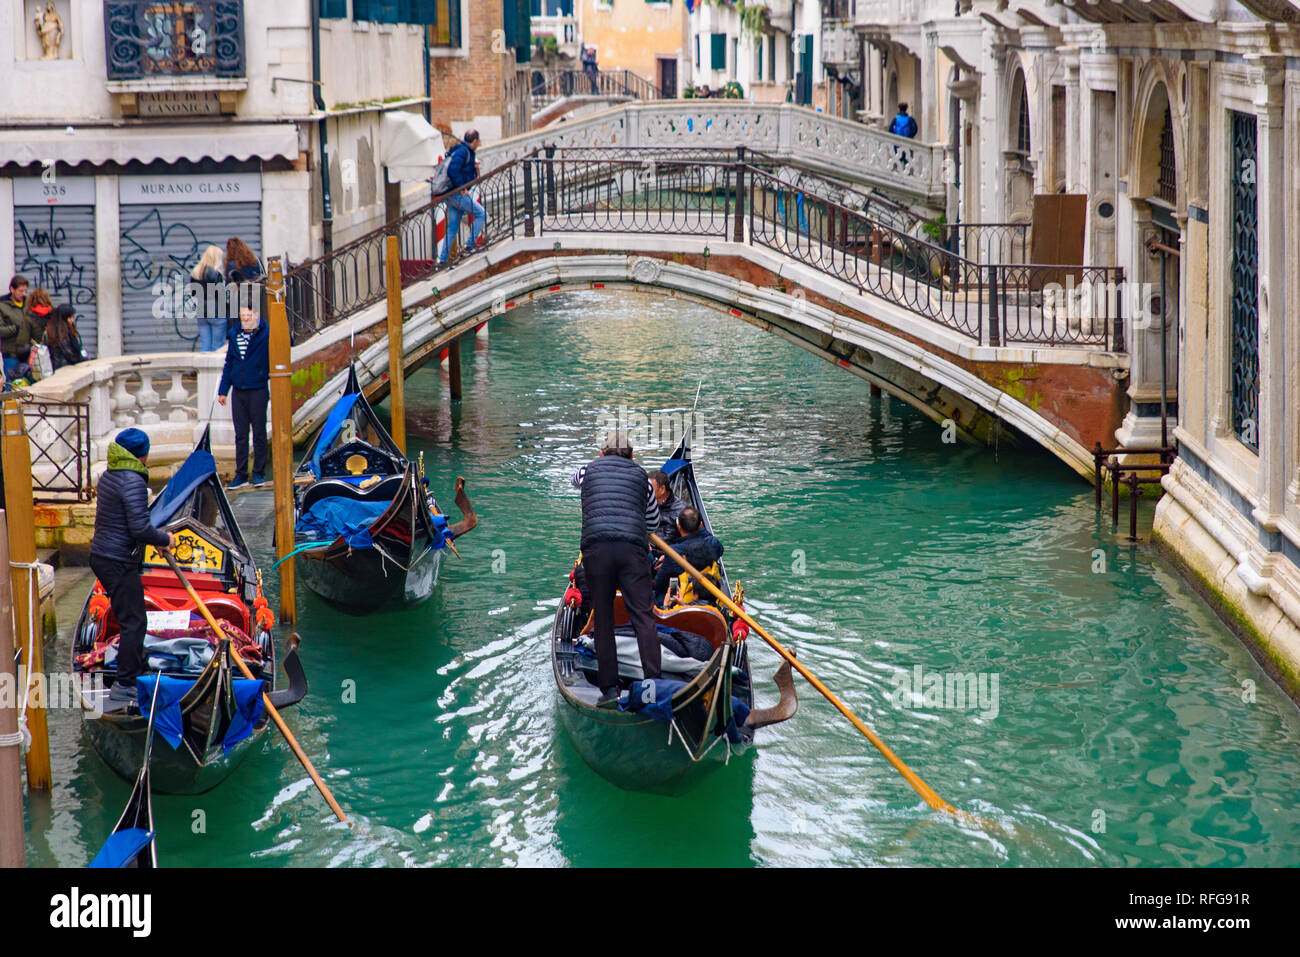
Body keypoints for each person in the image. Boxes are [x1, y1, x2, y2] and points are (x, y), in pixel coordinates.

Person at [576, 431, 662, 708]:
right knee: (643, 617)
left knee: (602, 618)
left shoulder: (587, 471)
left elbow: (575, 481)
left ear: (601, 454)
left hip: (596, 550)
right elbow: (653, 524)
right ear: (632, 456)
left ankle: (610, 690)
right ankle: (651, 688)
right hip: (631, 551)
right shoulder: (643, 480)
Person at [90, 428, 176, 703]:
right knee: (135, 622)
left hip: (103, 556)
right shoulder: (134, 480)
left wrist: (154, 538)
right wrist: (165, 538)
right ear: (144, 454)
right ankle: (125, 684)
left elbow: (128, 523)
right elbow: (139, 528)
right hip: (117, 560)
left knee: (132, 617)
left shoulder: (109, 475)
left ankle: (135, 668)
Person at [217, 303, 270, 489]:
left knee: (259, 433)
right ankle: (241, 475)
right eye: (242, 316)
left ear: (255, 315)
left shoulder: (265, 332)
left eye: (248, 315)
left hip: (258, 389)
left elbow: (287, 341)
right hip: (239, 391)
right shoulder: (234, 334)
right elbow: (229, 364)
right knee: (240, 434)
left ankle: (258, 473)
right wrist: (223, 391)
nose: (245, 319)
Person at [653, 507, 724, 607]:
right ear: (701, 525)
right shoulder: (713, 543)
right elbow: (714, 544)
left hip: (682, 596)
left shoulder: (674, 552)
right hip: (709, 594)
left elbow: (659, 584)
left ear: (679, 527)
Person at [438, 130, 486, 263]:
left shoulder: (460, 150)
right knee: (482, 214)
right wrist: (462, 187)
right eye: (478, 140)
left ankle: (442, 260)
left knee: (452, 227)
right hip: (457, 195)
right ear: (475, 141)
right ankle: (469, 246)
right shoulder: (463, 152)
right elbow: (452, 169)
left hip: (451, 195)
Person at [191, 245, 227, 351]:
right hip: (216, 310)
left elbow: (193, 292)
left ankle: (203, 367)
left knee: (205, 346)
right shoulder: (216, 274)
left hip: (201, 310)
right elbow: (220, 295)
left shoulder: (195, 272)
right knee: (218, 347)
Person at [225, 237, 263, 333]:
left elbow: (227, 285)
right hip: (256, 297)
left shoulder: (231, 265)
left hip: (238, 299)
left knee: (239, 328)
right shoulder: (256, 261)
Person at [648, 468, 685, 546]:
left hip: (669, 553)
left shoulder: (680, 510)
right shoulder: (643, 503)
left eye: (650, 488)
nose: (646, 491)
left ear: (662, 489)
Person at [44, 303, 86, 371]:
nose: (73, 320)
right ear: (64, 318)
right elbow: (69, 354)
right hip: (65, 368)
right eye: (70, 318)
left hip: (54, 368)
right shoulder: (63, 333)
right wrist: (83, 359)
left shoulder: (50, 331)